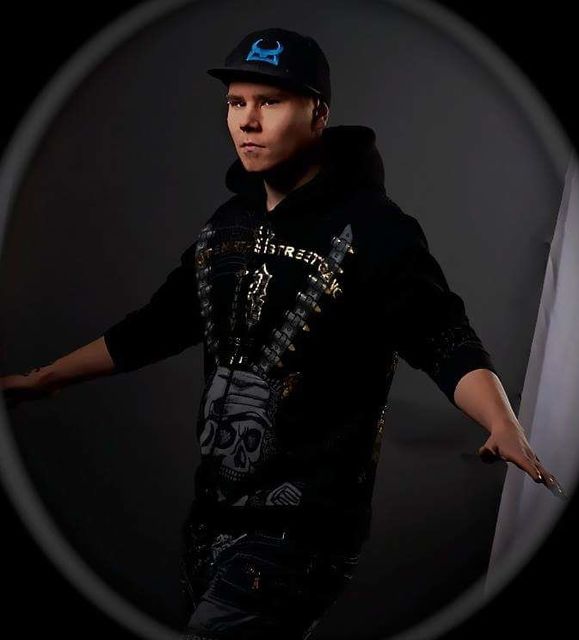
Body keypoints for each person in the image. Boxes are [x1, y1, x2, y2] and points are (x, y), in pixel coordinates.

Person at [1, 26, 565, 640]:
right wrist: (46, 377)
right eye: (236, 102)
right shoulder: (228, 223)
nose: (248, 121)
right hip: (210, 517)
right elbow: (158, 325)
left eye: (269, 102)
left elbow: (441, 337)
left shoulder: (376, 229)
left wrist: (501, 420)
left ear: (318, 114)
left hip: (302, 532)